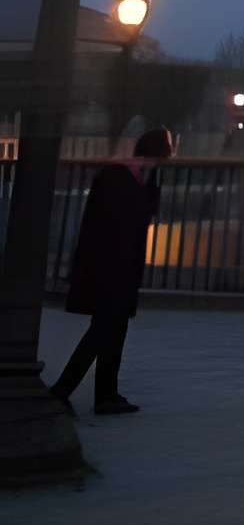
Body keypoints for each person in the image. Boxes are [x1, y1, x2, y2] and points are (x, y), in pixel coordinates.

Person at [51, 126, 173, 414]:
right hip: (112, 268)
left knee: (112, 328)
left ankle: (106, 394)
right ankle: (64, 389)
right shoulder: (123, 179)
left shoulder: (123, 176)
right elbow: (138, 217)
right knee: (105, 329)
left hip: (113, 266)